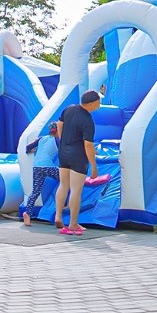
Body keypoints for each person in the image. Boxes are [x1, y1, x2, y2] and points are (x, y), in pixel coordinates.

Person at [54, 90, 102, 235]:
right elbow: (88, 145)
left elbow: (59, 123)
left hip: (63, 152)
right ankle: (73, 224)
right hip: (78, 156)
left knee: (63, 185)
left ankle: (58, 216)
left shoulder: (69, 109)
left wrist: (63, 140)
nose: (99, 104)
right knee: (76, 190)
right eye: (99, 102)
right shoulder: (88, 120)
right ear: (92, 104)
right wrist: (93, 166)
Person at [22, 122, 60, 226]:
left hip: (37, 167)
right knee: (66, 180)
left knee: (35, 191)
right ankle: (63, 203)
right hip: (48, 166)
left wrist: (32, 150)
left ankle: (28, 213)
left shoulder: (41, 138)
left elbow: (28, 148)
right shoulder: (58, 140)